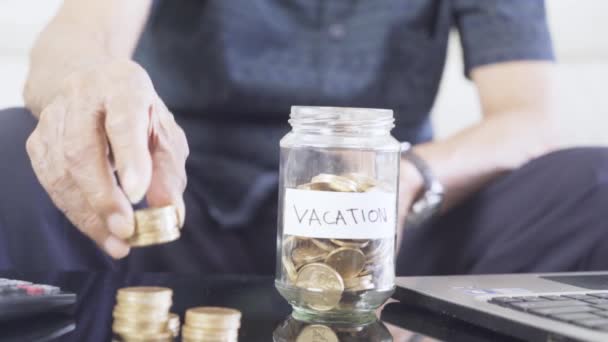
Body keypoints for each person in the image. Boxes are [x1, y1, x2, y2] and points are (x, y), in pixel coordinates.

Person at [1, 0, 606, 274]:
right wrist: (91, 81)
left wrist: (413, 176)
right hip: (182, 209)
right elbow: (78, 35)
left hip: (391, 218)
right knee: (12, 145)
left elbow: (530, 116)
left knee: (593, 183)